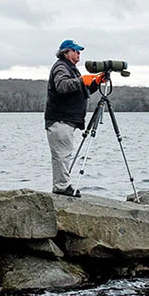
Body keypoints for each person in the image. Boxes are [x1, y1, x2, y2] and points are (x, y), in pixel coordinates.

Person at [44, 39, 104, 197]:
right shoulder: (61, 67)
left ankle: (62, 185)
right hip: (60, 119)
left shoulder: (71, 69)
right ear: (66, 52)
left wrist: (95, 83)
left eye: (79, 52)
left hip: (66, 120)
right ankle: (62, 187)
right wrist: (81, 80)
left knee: (64, 153)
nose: (79, 54)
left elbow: (82, 91)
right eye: (76, 51)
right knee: (62, 154)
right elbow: (62, 86)